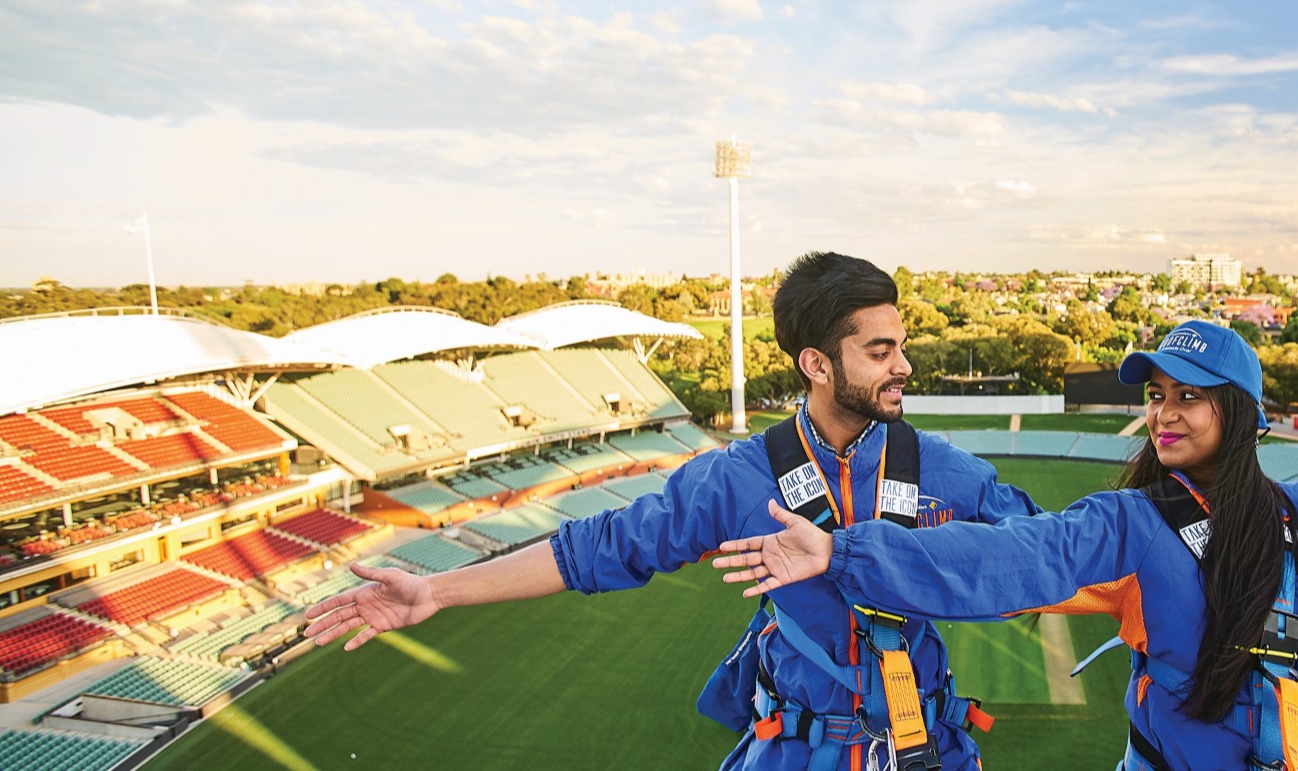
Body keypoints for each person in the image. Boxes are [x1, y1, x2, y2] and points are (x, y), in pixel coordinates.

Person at [714, 320, 1298, 771]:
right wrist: (846, 557)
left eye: (1189, 396)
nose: (1164, 415)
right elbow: (1004, 563)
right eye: (1157, 396)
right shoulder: (1129, 524)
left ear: (1237, 412)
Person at [304, 252, 1041, 770]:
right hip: (799, 755)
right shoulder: (737, 480)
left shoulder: (946, 471)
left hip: (925, 752)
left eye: (901, 347)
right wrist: (437, 589)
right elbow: (594, 549)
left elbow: (1048, 562)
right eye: (881, 352)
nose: (904, 367)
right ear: (817, 365)